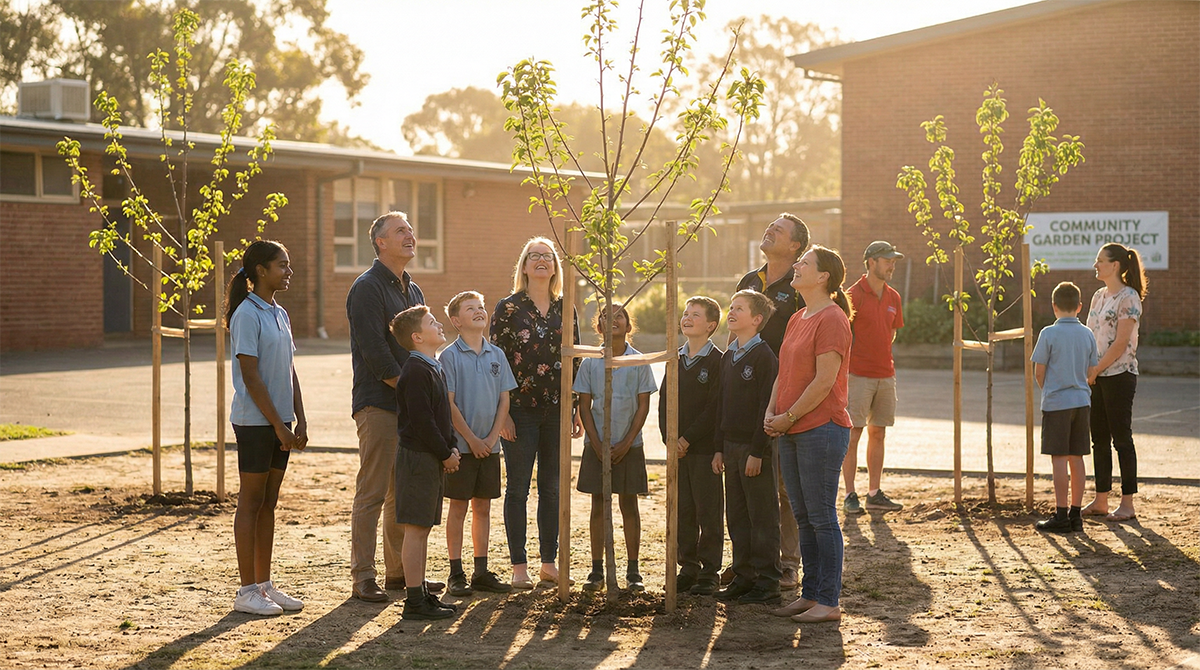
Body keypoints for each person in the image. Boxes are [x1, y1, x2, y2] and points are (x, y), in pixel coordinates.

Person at [346, 211, 442, 602]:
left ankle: (400, 574)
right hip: (379, 404)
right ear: (380, 242)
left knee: (399, 494)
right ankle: (363, 577)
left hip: (409, 405)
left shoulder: (414, 291)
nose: (411, 234)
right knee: (372, 492)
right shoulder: (366, 288)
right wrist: (413, 395)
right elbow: (377, 355)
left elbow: (419, 352)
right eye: (401, 230)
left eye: (411, 229)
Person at [766, 245, 854, 625]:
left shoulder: (832, 318)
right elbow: (783, 373)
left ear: (823, 277)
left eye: (804, 263)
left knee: (821, 516)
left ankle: (829, 601)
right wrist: (772, 413)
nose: (796, 266)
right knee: (803, 515)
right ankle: (811, 594)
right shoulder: (798, 316)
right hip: (789, 427)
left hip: (821, 428)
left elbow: (824, 381)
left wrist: (788, 416)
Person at [491, 237, 582, 590]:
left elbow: (573, 359)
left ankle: (548, 562)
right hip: (520, 411)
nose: (542, 260)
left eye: (548, 256)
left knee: (552, 489)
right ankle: (518, 566)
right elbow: (498, 363)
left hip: (557, 409)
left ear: (555, 266)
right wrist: (505, 414)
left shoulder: (566, 307)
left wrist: (574, 407)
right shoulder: (508, 308)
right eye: (534, 256)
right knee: (517, 489)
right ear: (525, 266)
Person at [226, 240, 308, 616]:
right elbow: (250, 375)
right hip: (256, 422)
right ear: (260, 270)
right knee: (252, 500)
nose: (288, 271)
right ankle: (246, 591)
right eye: (282, 265)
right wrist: (278, 425)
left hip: (280, 423)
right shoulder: (247, 313)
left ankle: (263, 585)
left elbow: (288, 370)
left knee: (269, 503)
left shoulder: (280, 313)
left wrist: (299, 418)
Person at [734, 213, 809, 590]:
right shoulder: (750, 281)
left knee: (783, 485)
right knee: (748, 479)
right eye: (769, 226)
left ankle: (788, 562)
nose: (769, 230)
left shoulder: (798, 286)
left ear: (795, 246)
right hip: (746, 390)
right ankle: (747, 559)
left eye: (779, 230)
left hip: (782, 392)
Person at [438, 291, 517, 597]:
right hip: (463, 447)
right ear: (456, 321)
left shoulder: (497, 355)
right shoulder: (449, 357)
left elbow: (504, 399)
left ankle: (480, 571)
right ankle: (456, 572)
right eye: (470, 308)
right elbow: (449, 404)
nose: (479, 311)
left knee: (482, 507)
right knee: (458, 508)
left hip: (490, 447)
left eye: (481, 307)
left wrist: (492, 438)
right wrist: (472, 440)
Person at [576, 303, 658, 592]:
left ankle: (634, 571)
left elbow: (644, 404)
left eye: (619, 315)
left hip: (629, 444)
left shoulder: (638, 361)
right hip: (597, 445)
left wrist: (626, 442)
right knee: (598, 503)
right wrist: (597, 444)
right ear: (598, 327)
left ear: (628, 325)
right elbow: (584, 405)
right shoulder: (589, 362)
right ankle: (597, 570)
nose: (613, 320)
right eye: (606, 316)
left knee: (629, 504)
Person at [390, 305, 461, 621]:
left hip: (430, 457)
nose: (440, 324)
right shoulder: (416, 370)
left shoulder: (432, 366)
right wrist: (445, 453)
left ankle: (420, 594)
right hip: (419, 458)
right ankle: (414, 601)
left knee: (422, 529)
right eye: (432, 322)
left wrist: (450, 447)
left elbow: (441, 417)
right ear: (417, 337)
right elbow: (422, 421)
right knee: (415, 531)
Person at [713, 290, 782, 605]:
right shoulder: (729, 355)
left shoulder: (764, 357)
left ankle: (768, 580)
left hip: (755, 451)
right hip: (730, 447)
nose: (731, 312)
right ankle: (743, 576)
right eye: (731, 307)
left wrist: (758, 450)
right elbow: (720, 405)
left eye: (738, 308)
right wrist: (718, 448)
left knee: (761, 515)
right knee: (737, 515)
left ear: (756, 320)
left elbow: (764, 408)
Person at [658, 296, 725, 596]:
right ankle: (687, 567)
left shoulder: (717, 361)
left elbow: (714, 408)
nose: (687, 318)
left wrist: (687, 439)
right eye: (685, 313)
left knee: (707, 511)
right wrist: (669, 439)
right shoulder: (675, 358)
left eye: (695, 315)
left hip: (703, 450)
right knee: (682, 509)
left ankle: (710, 571)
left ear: (710, 325)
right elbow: (663, 401)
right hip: (678, 450)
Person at [1082, 243, 1148, 523]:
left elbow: (1121, 342)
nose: (1095, 265)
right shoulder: (1098, 296)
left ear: (1115, 265)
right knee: (1099, 440)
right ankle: (1100, 499)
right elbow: (1089, 334)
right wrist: (1088, 368)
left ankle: (1127, 504)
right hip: (1095, 375)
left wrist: (1096, 368)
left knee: (1122, 439)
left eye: (1100, 261)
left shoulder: (1129, 297)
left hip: (1119, 375)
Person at [842, 240, 906, 514]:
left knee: (878, 432)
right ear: (871, 262)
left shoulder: (894, 297)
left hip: (886, 375)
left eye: (894, 260)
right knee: (853, 434)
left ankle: (874, 492)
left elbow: (892, 333)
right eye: (887, 259)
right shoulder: (852, 295)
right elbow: (842, 334)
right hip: (856, 375)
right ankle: (850, 495)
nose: (892, 264)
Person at [1031, 282, 1099, 534]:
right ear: (1080, 306)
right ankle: (1076, 514)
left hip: (1057, 403)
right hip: (1081, 402)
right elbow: (1092, 370)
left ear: (1054, 306)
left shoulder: (1048, 333)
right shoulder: (1088, 334)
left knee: (1058, 458)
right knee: (1077, 457)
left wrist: (1049, 390)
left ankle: (1060, 514)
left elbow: (1039, 371)